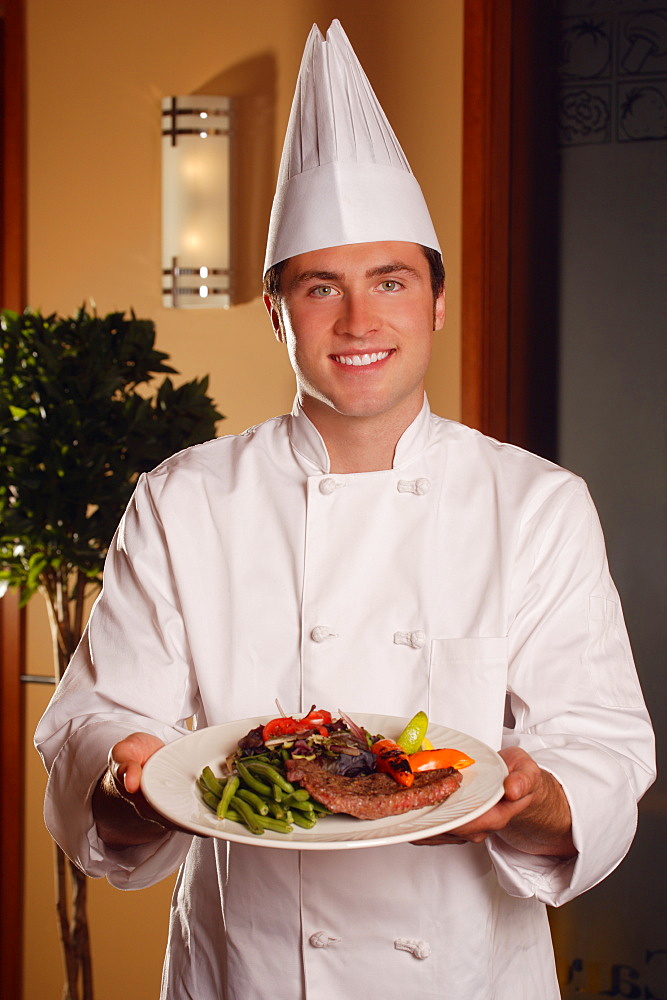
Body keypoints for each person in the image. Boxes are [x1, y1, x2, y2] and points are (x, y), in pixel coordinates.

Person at [35, 20, 655, 1000]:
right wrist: (126, 770)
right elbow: (94, 721)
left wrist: (533, 797)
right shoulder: (181, 499)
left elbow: (603, 745)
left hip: (464, 975)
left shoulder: (536, 504)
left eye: (390, 282)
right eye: (322, 288)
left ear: (436, 303)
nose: (359, 322)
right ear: (276, 312)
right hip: (245, 972)